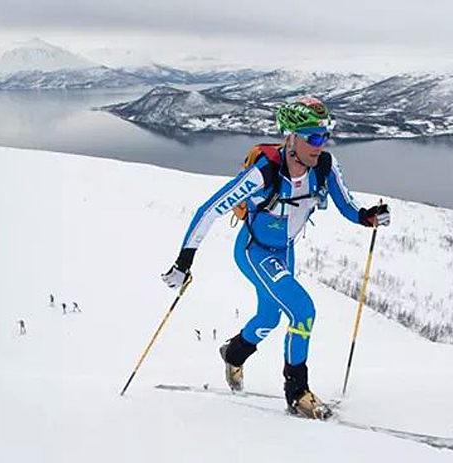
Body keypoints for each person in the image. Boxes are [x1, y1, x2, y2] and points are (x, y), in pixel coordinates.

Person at [161, 97, 390, 420]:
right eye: (312, 137)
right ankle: (297, 393)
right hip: (254, 251)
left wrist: (367, 217)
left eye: (324, 136)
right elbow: (209, 210)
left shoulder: (324, 166)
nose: (319, 145)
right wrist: (183, 262)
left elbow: (347, 206)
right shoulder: (264, 173)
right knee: (302, 310)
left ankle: (234, 353)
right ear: (291, 137)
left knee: (269, 318)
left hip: (285, 252)